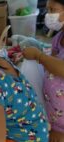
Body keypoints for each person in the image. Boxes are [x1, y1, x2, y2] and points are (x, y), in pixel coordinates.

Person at [24, 0, 64, 141]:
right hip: (55, 116)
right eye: (48, 10)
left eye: (53, 10)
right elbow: (52, 64)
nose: (48, 15)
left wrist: (38, 56)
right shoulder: (58, 37)